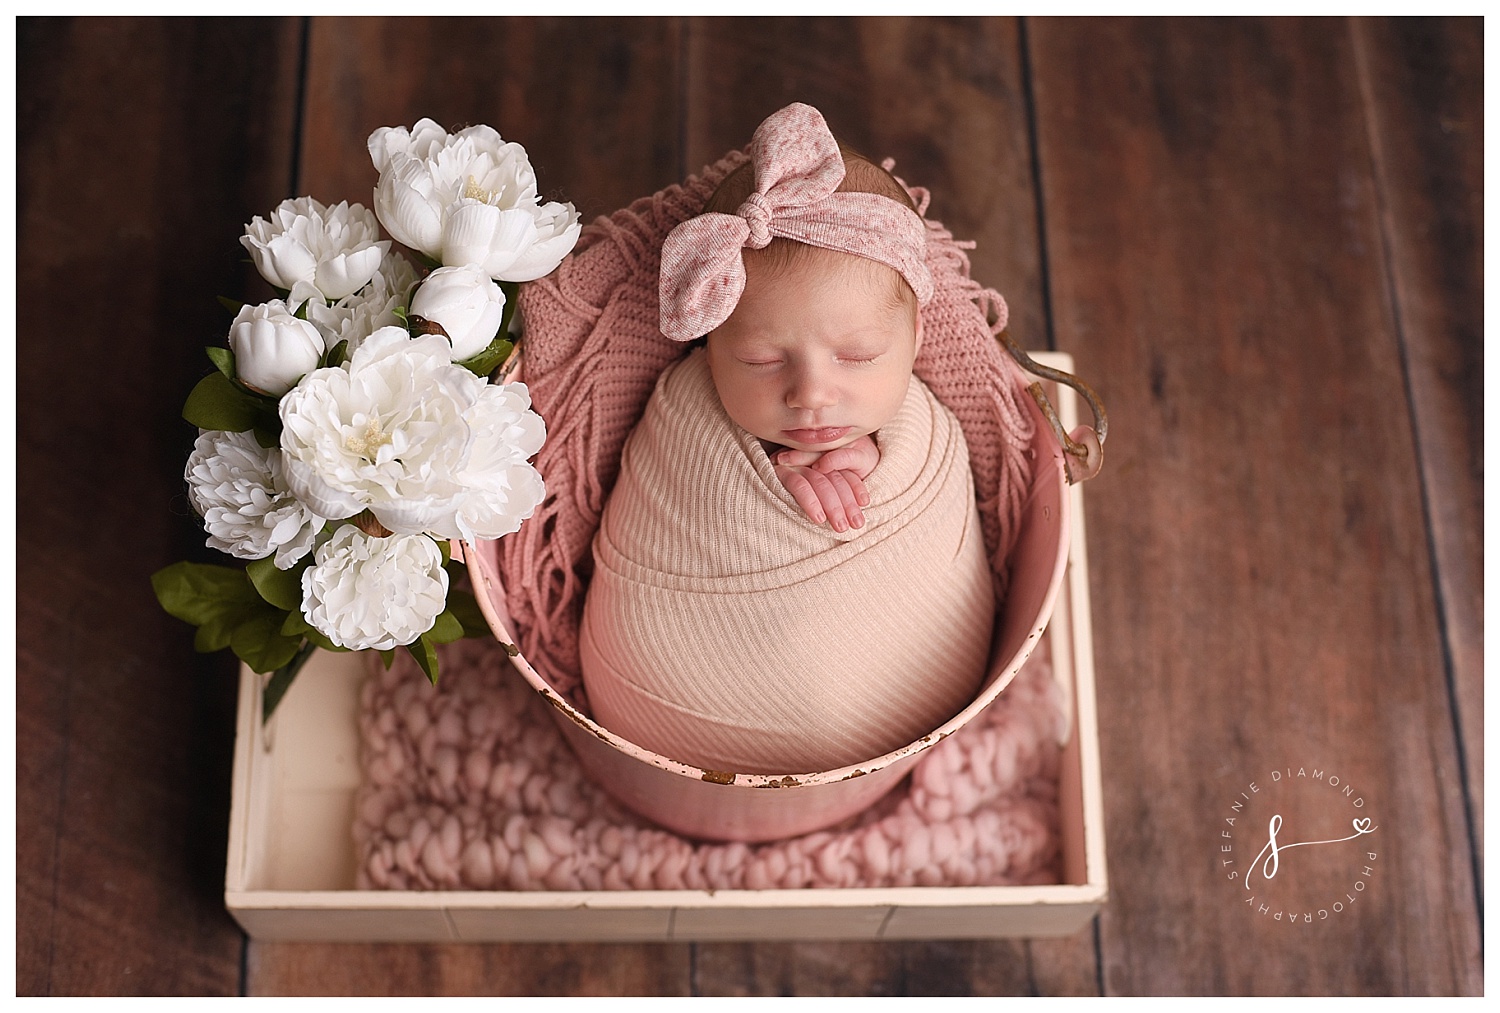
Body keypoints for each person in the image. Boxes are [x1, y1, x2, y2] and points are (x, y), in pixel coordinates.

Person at [578, 103, 993, 774]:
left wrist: (876, 458)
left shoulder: (928, 429)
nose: (811, 394)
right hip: (659, 698)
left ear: (915, 337)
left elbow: (934, 494)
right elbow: (676, 488)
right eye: (762, 361)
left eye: (856, 355)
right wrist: (771, 488)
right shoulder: (682, 411)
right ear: (710, 346)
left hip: (912, 690)